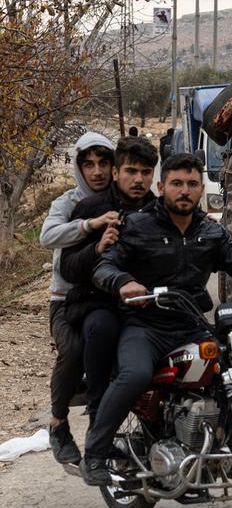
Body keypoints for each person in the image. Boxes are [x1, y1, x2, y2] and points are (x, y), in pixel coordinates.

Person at [79, 153, 232, 486]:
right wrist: (124, 283)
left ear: (201, 189)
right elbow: (103, 267)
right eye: (177, 183)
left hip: (191, 325)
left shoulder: (210, 231)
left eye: (192, 184)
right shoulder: (136, 225)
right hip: (146, 327)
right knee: (135, 375)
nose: (185, 191)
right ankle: (95, 453)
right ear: (162, 187)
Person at [59, 136, 158, 430]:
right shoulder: (92, 208)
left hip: (147, 302)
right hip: (97, 300)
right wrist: (97, 249)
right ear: (117, 172)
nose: (138, 179)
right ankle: (97, 412)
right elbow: (68, 268)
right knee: (101, 326)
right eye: (131, 171)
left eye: (145, 172)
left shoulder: (159, 209)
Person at [40, 132, 115, 464]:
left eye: (104, 163)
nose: (97, 171)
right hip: (66, 300)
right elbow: (48, 235)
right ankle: (58, 425)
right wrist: (90, 224)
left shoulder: (121, 198)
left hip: (108, 298)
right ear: (78, 168)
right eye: (89, 164)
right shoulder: (68, 203)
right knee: (71, 350)